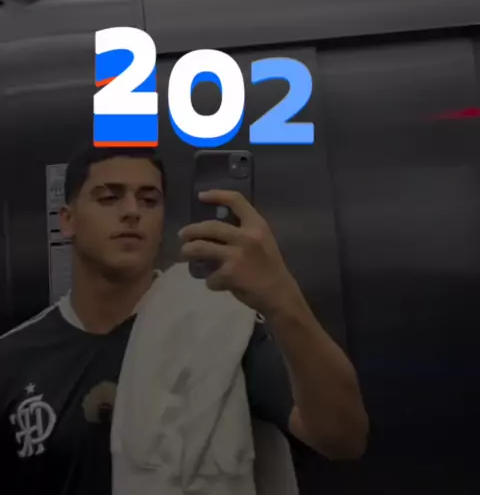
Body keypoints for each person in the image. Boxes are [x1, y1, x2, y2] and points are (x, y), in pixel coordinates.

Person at [0, 146, 368, 493]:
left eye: (149, 200)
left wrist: (283, 300)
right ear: (68, 221)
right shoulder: (13, 358)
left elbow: (343, 438)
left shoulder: (218, 327)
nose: (132, 211)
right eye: (109, 197)